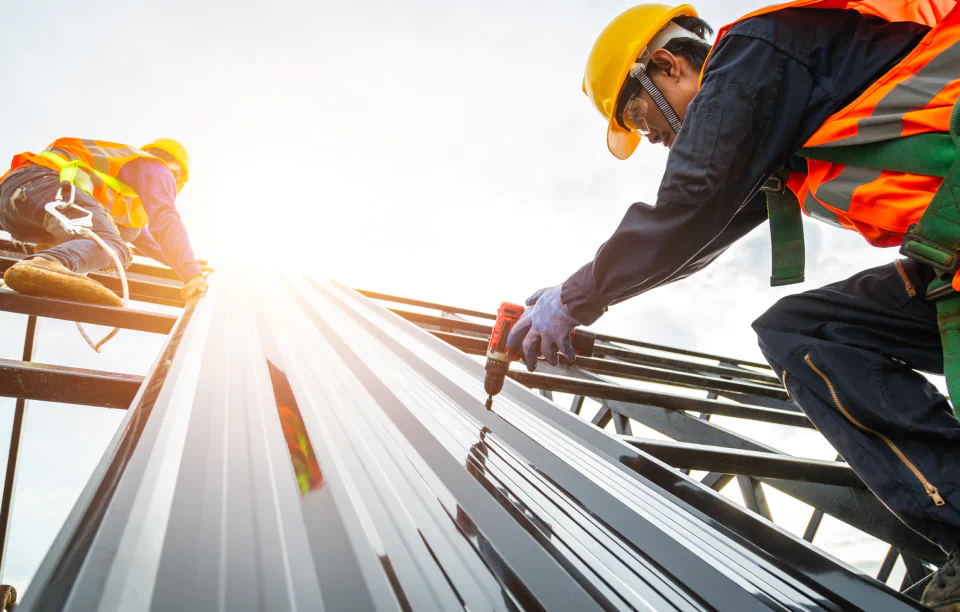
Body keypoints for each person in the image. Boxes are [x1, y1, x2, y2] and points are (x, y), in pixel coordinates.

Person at [505, 2, 960, 608]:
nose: (658, 140)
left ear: (667, 64)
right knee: (805, 332)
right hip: (948, 261)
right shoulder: (775, 115)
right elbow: (693, 240)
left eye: (644, 120)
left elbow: (689, 205)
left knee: (804, 328)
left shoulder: (751, 54)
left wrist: (576, 297)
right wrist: (578, 295)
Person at [0, 137, 208, 305]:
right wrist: (191, 275)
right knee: (112, 248)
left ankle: (52, 250)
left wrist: (192, 266)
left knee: (125, 234)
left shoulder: (123, 179)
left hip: (15, 203)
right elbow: (165, 219)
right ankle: (47, 263)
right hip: (44, 184)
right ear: (177, 176)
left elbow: (147, 241)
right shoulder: (157, 168)